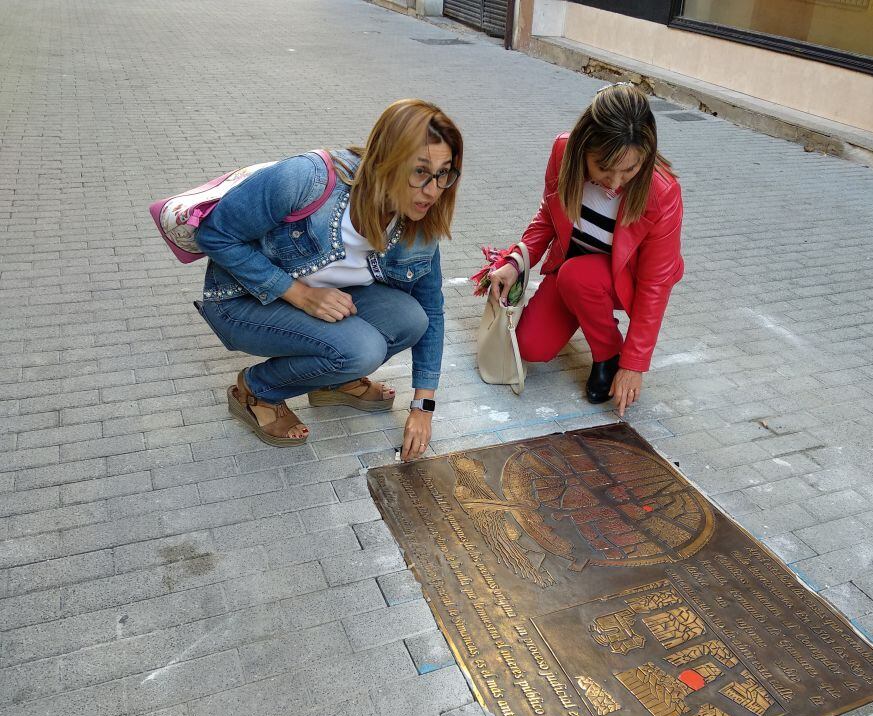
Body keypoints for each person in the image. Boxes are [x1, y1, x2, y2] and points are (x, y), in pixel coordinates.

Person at [193, 99, 462, 460]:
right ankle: (256, 390)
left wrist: (423, 406)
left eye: (444, 173)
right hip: (243, 302)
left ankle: (334, 381)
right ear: (387, 162)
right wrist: (297, 293)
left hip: (326, 299)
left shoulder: (420, 220)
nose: (433, 190)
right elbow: (213, 234)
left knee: (412, 318)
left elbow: (432, 308)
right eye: (420, 172)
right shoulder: (307, 179)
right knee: (361, 349)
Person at [485, 83, 684, 416]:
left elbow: (654, 286)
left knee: (578, 277)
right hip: (574, 272)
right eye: (604, 168)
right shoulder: (563, 153)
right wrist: (514, 261)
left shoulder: (663, 193)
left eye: (630, 169)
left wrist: (634, 364)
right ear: (584, 147)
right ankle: (588, 310)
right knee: (530, 347)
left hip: (626, 282)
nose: (616, 183)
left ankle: (608, 354)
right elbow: (549, 216)